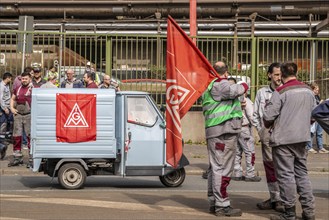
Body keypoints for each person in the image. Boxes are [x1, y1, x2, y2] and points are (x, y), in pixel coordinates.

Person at [263, 62, 316, 220]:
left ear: (282, 74)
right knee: (302, 174)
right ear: (297, 72)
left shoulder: (280, 91)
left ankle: (289, 213)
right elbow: (314, 114)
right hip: (302, 138)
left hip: (283, 140)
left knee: (286, 176)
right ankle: (309, 212)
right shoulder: (308, 91)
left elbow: (267, 117)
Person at [202, 61, 248, 217]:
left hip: (216, 131)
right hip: (223, 132)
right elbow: (236, 89)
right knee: (222, 168)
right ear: (226, 73)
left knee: (215, 168)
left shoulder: (210, 86)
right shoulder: (220, 84)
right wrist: (244, 85)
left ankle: (214, 202)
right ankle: (222, 204)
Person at [253, 62, 284, 212]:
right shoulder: (262, 93)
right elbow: (255, 114)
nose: (279, 77)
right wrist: (261, 131)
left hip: (284, 137)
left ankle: (283, 199)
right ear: (269, 75)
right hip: (267, 137)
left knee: (284, 168)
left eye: (281, 74)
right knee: (270, 168)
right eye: (276, 74)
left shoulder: (286, 91)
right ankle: (274, 198)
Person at [232, 91, 261, 182]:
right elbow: (251, 116)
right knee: (250, 152)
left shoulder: (234, 101)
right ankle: (250, 174)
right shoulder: (246, 101)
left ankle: (237, 173)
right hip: (245, 130)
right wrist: (258, 128)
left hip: (236, 129)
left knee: (237, 152)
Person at [8, 71, 33, 167]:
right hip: (18, 115)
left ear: (30, 79)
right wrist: (12, 108)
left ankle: (32, 159)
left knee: (30, 137)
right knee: (16, 137)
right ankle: (17, 158)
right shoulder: (18, 88)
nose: (24, 80)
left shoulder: (33, 89)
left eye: (26, 78)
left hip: (29, 115)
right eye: (23, 79)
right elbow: (13, 98)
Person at [306, 83, 328, 154]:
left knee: (319, 132)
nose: (317, 91)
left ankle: (320, 147)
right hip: (313, 117)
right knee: (311, 132)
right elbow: (313, 107)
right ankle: (309, 147)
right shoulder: (310, 96)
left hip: (318, 117)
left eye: (318, 90)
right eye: (316, 89)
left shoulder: (317, 96)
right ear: (312, 89)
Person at [0, 72, 13, 151]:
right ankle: (1, 144)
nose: (11, 80)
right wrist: (4, 108)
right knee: (3, 124)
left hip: (8, 107)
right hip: (4, 108)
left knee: (7, 124)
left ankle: (3, 142)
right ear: (7, 78)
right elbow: (1, 99)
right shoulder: (1, 86)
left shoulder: (7, 86)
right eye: (10, 78)